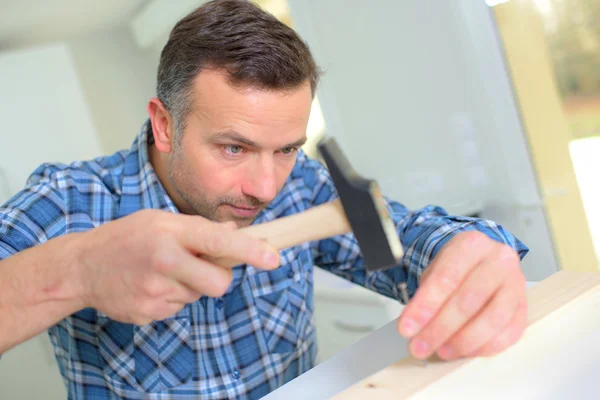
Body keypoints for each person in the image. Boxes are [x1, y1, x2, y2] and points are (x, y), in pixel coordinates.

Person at [0, 0, 529, 398]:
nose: (267, 187)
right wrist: (76, 271)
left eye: (286, 150)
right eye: (234, 147)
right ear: (165, 125)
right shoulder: (72, 199)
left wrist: (469, 248)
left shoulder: (306, 189)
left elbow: (407, 238)